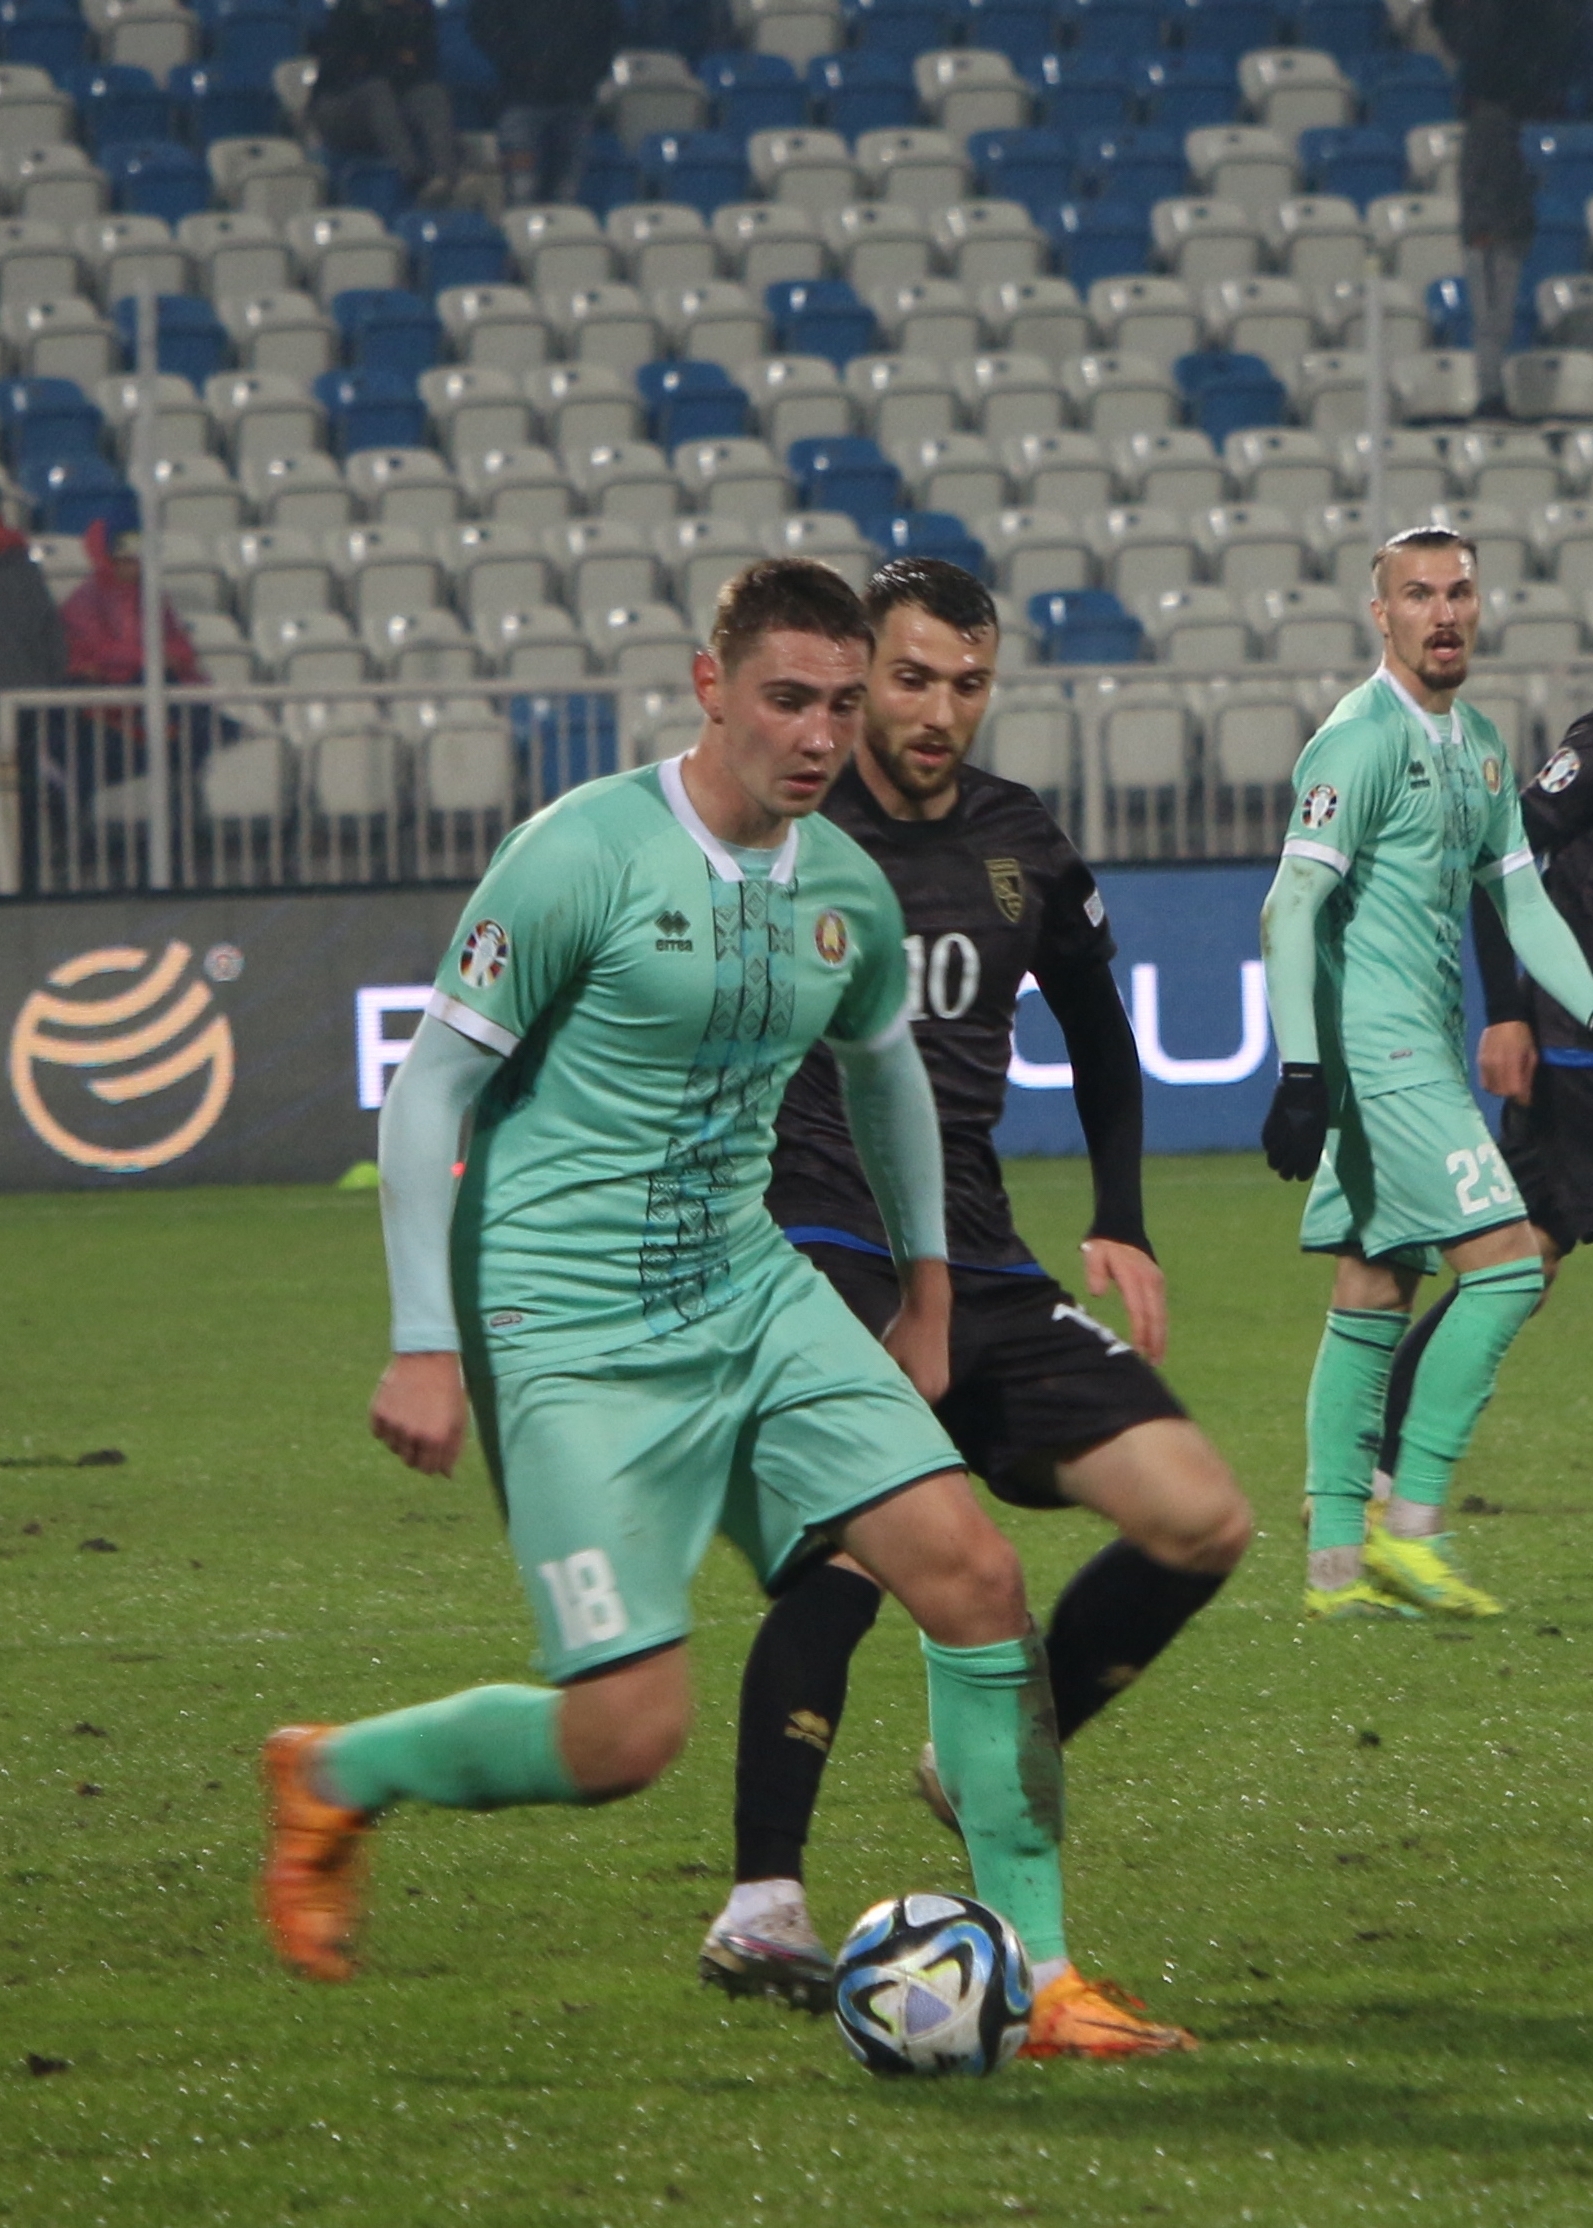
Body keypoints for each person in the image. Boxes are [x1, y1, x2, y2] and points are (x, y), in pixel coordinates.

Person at [259, 558, 1107, 2062]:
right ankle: (334, 1775)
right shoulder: (578, 855)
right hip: (566, 1324)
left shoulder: (838, 885)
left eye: (843, 706)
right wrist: (422, 1337)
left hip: (751, 1286)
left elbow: (886, 1073)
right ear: (709, 686)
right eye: (788, 698)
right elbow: (435, 1086)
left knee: (975, 1581)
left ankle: (1045, 1986)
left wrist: (922, 1292)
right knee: (620, 1740)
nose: (818, 735)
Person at [698, 558, 1241, 2052]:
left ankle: (982, 1745)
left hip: (982, 1263)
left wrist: (1121, 1218)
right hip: (817, 1246)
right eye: (912, 678)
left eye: (968, 683)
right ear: (859, 673)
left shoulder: (1019, 843)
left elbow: (1102, 1035)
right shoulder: (788, 833)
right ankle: (771, 1900)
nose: (937, 711)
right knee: (879, 1554)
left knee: (1200, 1516)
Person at [1259, 526, 1593, 1623]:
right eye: (1419, 595)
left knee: (1371, 1286)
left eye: (1458, 592)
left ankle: (1335, 1571)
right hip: (1382, 1056)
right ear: (1382, 614)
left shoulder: (1482, 744)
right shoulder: (1355, 742)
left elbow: (1526, 905)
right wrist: (1303, 1070)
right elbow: (1288, 907)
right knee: (1502, 1267)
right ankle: (1415, 1528)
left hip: (1414, 1050)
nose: (1443, 613)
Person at [1373, 717, 1593, 1487]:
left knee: (1521, 1258)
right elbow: (1493, 855)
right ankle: (1379, 1472)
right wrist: (1504, 1011)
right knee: (1517, 1260)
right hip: (1574, 1061)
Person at [1432, 0, 1581, 416]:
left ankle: (1493, 392)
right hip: (1491, 234)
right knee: (1491, 321)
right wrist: (1485, 229)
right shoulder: (1491, 126)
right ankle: (1489, 394)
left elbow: (1506, 183)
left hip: (1504, 231)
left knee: (1496, 321)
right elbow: (1480, 184)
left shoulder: (1505, 126)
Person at [467, 0, 619, 206]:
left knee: (568, 193)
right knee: (521, 188)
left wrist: (585, 78)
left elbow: (610, 32)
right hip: (520, 103)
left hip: (575, 103)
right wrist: (520, 69)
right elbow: (484, 25)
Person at [309, 0, 458, 207]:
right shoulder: (352, 9)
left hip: (396, 98)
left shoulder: (418, 11)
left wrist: (388, 66)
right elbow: (340, 71)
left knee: (431, 95)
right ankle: (413, 179)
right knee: (376, 91)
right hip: (339, 106)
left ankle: (446, 180)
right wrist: (393, 64)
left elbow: (424, 67)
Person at [59, 522, 201, 688]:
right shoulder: (85, 599)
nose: (137, 566)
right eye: (128, 560)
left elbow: (178, 642)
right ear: (111, 559)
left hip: (145, 683)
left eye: (139, 560)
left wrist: (175, 658)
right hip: (102, 690)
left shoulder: (152, 598)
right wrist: (152, 659)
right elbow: (98, 649)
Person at [0, 523, 66, 690]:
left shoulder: (21, 568)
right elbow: (51, 631)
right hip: (30, 690)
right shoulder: (23, 567)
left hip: (25, 687)